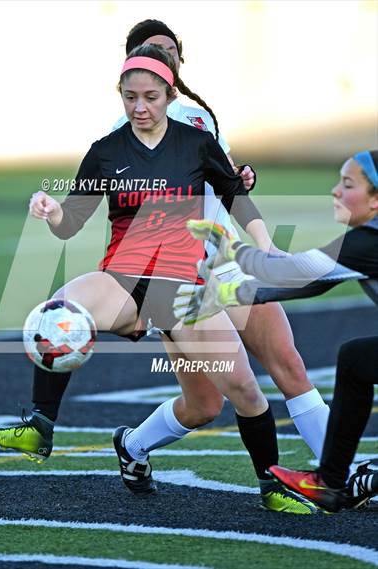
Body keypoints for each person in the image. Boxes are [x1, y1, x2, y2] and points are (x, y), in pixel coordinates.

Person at [0, 44, 318, 514]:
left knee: (241, 389)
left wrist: (267, 246)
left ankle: (272, 485)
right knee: (60, 310)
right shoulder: (104, 152)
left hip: (183, 285)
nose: (140, 107)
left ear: (169, 92)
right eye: (130, 97)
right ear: (119, 94)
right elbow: (71, 221)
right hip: (123, 278)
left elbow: (235, 194)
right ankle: (40, 425)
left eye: (151, 97)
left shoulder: (197, 143)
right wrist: (51, 208)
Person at [109, 19, 332, 490]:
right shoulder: (122, 135)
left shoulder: (199, 118)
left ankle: (340, 475)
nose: (161, 58)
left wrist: (239, 178)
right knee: (205, 405)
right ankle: (133, 444)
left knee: (289, 366)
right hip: (174, 280)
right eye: (151, 50)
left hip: (225, 260)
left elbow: (223, 176)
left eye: (169, 52)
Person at [174, 150, 378, 511]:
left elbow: (304, 274)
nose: (335, 191)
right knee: (356, 359)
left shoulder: (367, 243)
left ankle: (351, 478)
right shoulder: (364, 243)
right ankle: (331, 481)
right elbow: (312, 277)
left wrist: (233, 276)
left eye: (347, 185)